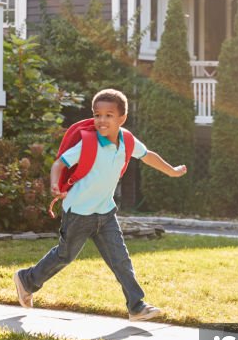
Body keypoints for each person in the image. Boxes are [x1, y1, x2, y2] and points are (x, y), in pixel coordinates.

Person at [13, 88, 187, 321]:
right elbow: (59, 164)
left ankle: (136, 306)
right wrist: (55, 184)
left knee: (121, 260)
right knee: (64, 256)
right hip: (78, 213)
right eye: (97, 115)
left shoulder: (127, 141)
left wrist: (172, 171)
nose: (102, 120)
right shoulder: (88, 143)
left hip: (105, 212)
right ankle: (27, 280)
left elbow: (148, 155)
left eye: (109, 115)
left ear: (122, 118)